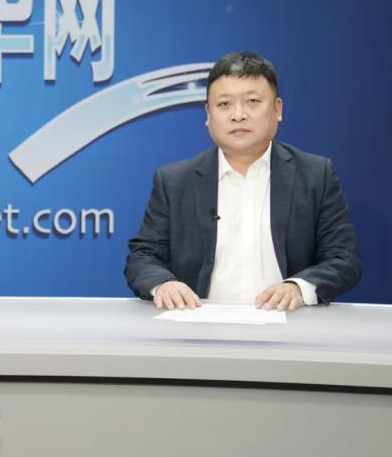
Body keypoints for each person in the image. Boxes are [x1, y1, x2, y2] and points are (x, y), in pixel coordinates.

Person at [124, 52, 361, 311]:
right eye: (224, 104)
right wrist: (164, 284)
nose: (238, 115)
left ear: (277, 109)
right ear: (208, 114)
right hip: (198, 325)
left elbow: (343, 259)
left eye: (252, 101)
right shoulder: (174, 182)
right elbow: (142, 257)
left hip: (289, 324)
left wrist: (298, 287)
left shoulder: (315, 175)